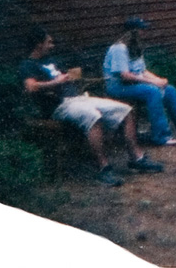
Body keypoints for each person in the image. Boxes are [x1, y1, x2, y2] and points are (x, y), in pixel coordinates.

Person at [20, 27, 164, 186]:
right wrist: (56, 82)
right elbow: (31, 87)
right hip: (58, 106)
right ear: (39, 44)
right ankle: (104, 168)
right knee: (93, 116)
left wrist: (69, 78)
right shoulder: (27, 65)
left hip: (78, 99)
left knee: (125, 110)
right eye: (49, 42)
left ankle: (137, 158)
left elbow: (62, 78)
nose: (52, 45)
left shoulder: (50, 61)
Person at [103, 17, 176, 146]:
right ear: (133, 32)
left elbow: (142, 71)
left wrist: (158, 79)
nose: (144, 32)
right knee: (152, 91)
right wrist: (153, 83)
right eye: (142, 30)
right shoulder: (119, 49)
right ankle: (160, 136)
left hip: (134, 84)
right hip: (118, 87)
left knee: (170, 90)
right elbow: (125, 76)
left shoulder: (135, 47)